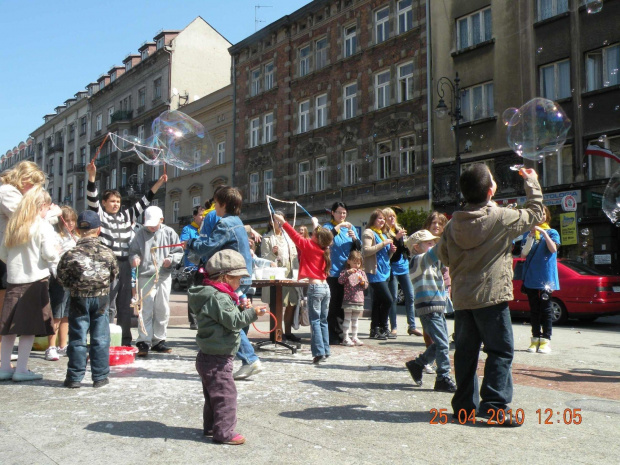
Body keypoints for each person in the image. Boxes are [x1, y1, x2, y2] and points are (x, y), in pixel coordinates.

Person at [436, 164, 544, 426]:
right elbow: (535, 212)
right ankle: (495, 407)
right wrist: (531, 182)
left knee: (465, 353)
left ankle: (464, 408)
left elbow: (443, 256)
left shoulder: (452, 225)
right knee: (500, 351)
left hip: (463, 300)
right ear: (490, 190)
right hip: (491, 297)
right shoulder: (500, 217)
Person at [189, 250, 267, 445]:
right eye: (238, 278)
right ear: (225, 277)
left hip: (207, 356)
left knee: (212, 396)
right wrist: (252, 313)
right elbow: (233, 322)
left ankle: (211, 426)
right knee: (226, 396)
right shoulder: (219, 298)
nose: (240, 282)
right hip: (218, 359)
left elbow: (222, 317)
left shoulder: (211, 294)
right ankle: (224, 432)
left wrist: (240, 308)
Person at [185, 186, 262, 380]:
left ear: (224, 204)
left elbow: (208, 246)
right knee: (236, 317)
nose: (214, 208)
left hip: (233, 277)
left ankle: (250, 359)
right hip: (243, 275)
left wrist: (191, 243)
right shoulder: (237, 221)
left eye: (216, 204)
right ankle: (242, 357)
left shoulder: (225, 223)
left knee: (230, 321)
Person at [86, 159, 166, 346]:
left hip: (125, 264)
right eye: (112, 201)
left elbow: (144, 201)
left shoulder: (126, 216)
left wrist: (159, 184)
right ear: (104, 203)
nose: (116, 204)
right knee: (107, 303)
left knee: (124, 304)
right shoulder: (100, 215)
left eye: (118, 201)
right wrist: (91, 176)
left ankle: (124, 339)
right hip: (107, 263)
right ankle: (104, 337)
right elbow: (91, 197)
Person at [0, 187, 58, 382]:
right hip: (35, 281)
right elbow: (49, 254)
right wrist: (56, 251)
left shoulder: (14, 225)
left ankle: (5, 367)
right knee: (29, 327)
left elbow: (3, 254)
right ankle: (22, 369)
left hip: (14, 281)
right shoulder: (43, 226)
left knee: (9, 327)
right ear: (42, 206)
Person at [57, 210, 119, 388]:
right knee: (100, 337)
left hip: (78, 298)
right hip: (101, 298)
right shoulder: (107, 252)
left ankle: (74, 377)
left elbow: (61, 277)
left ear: (77, 230)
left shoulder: (71, 253)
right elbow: (114, 274)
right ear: (98, 230)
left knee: (77, 337)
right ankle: (99, 376)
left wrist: (73, 286)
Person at [271, 213, 333, 364]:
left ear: (316, 238)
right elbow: (320, 235)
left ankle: (318, 353)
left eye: (313, 234)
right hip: (325, 287)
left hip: (315, 288)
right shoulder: (323, 248)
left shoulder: (310, 246)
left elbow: (293, 235)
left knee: (316, 321)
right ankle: (325, 351)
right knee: (323, 320)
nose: (311, 235)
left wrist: (283, 222)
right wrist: (315, 223)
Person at [0, 160, 46, 360]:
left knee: (6, 310)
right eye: (33, 184)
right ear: (24, 178)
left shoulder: (11, 191)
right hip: (5, 256)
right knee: (5, 311)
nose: (33, 189)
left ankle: (3, 358)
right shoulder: (8, 192)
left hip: (6, 255)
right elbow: (23, 217)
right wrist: (48, 215)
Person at [404, 230, 456, 393]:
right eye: (428, 243)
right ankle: (443, 377)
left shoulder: (431, 262)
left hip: (437, 307)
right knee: (442, 344)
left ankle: (417, 364)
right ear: (416, 247)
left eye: (433, 243)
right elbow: (435, 254)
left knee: (441, 343)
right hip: (428, 307)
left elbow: (447, 260)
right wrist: (449, 234)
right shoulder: (417, 260)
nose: (432, 245)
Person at [129, 206, 183, 357]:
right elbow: (132, 251)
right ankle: (143, 340)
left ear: (161, 220)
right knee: (145, 309)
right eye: (149, 224)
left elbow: (178, 251)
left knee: (162, 308)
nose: (152, 227)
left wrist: (170, 260)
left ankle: (159, 340)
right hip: (145, 276)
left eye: (155, 224)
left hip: (163, 277)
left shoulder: (169, 232)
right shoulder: (140, 234)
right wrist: (134, 259)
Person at [520, 205, 560, 354]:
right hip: (531, 276)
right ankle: (535, 338)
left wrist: (543, 233)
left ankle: (546, 340)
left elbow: (553, 249)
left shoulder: (552, 232)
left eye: (542, 213)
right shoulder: (528, 234)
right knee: (534, 309)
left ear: (546, 215)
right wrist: (531, 236)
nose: (540, 216)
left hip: (546, 277)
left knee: (546, 309)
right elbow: (523, 254)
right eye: (537, 214)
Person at [323, 202, 361, 345]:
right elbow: (324, 240)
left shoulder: (350, 228)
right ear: (332, 213)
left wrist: (354, 239)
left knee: (343, 305)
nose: (342, 215)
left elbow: (358, 249)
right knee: (333, 304)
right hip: (333, 271)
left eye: (344, 213)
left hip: (347, 272)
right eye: (339, 212)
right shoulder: (328, 227)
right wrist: (336, 229)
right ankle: (332, 335)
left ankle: (341, 334)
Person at [46, 206, 78, 362]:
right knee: (56, 314)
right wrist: (58, 275)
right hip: (59, 279)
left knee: (66, 314)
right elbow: (53, 259)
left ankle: (62, 345)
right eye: (67, 220)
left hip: (71, 280)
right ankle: (51, 346)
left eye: (73, 220)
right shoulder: (55, 236)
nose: (70, 223)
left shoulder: (74, 236)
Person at [261, 211, 299, 342]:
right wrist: (272, 253)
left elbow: (294, 256)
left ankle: (288, 332)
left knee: (291, 303)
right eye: (276, 220)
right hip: (276, 276)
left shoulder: (289, 237)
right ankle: (279, 332)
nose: (279, 223)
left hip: (290, 274)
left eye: (281, 220)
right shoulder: (267, 238)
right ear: (271, 222)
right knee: (278, 304)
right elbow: (263, 260)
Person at [383, 207, 420, 338]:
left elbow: (405, 248)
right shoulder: (384, 232)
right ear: (385, 219)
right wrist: (396, 239)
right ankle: (393, 327)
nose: (392, 218)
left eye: (393, 216)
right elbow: (390, 251)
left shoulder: (399, 230)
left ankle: (412, 326)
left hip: (404, 266)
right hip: (392, 267)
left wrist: (409, 243)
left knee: (410, 296)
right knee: (393, 298)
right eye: (389, 217)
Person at [362, 209, 394, 340]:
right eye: (379, 218)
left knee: (378, 302)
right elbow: (366, 251)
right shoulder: (369, 232)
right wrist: (384, 244)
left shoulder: (383, 234)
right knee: (388, 300)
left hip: (385, 271)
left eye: (383, 219)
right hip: (375, 272)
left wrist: (391, 251)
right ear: (373, 219)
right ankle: (382, 325)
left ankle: (377, 329)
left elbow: (385, 256)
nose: (382, 221)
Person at [179, 207, 205, 330]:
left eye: (205, 215)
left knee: (205, 294)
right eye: (200, 215)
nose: (203, 217)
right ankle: (194, 321)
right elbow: (183, 244)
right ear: (194, 216)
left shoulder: (206, 229)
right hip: (192, 266)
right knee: (193, 294)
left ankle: (204, 319)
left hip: (205, 266)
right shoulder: (188, 229)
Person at [337, 250, 367, 346]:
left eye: (358, 263)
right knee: (347, 319)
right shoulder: (345, 272)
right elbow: (340, 281)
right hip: (348, 300)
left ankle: (354, 337)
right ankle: (345, 337)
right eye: (354, 263)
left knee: (355, 320)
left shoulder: (362, 273)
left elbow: (366, 286)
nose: (356, 265)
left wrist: (363, 282)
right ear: (349, 261)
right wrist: (347, 273)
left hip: (359, 300)